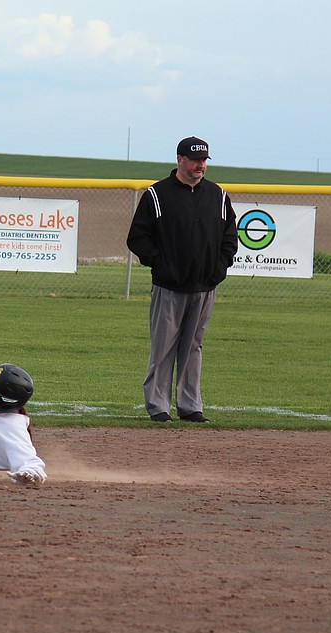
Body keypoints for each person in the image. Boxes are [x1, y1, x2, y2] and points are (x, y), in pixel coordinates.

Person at [126, 136, 238, 423]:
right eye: (195, 160)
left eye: (204, 160)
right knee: (163, 347)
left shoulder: (218, 196)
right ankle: (158, 406)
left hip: (204, 286)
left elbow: (230, 238)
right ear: (180, 160)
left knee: (193, 346)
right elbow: (137, 238)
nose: (200, 165)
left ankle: (190, 405)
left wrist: (219, 268)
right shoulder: (157, 194)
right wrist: (162, 264)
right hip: (169, 287)